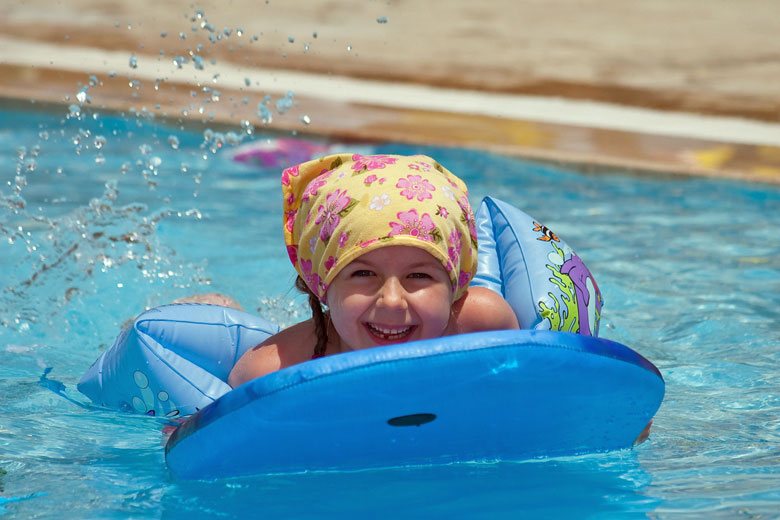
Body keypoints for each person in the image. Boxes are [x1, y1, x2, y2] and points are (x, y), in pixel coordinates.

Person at [227, 153, 519, 388]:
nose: (392, 300)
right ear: (322, 286)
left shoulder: (484, 325)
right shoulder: (276, 372)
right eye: (364, 274)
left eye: (419, 276)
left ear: (455, 286)